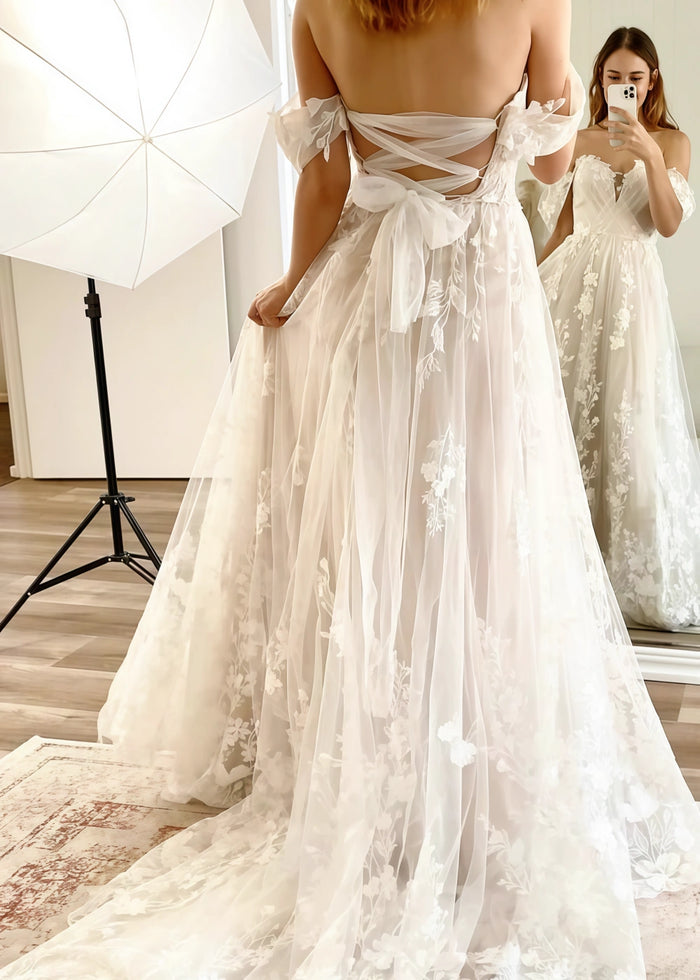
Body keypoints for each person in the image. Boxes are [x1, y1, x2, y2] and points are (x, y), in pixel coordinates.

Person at [3, 2, 699, 976]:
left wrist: (292, 283)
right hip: (481, 289)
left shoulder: (322, 8)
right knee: (483, 526)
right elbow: (550, 166)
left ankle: (380, 757)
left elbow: (327, 176)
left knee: (381, 522)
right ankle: (466, 762)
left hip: (369, 287)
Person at [539, 26, 700, 631]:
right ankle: (569, 572)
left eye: (635, 77)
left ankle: (626, 574)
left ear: (651, 81)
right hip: (576, 289)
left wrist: (650, 155)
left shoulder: (673, 143)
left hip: (634, 295)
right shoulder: (577, 141)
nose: (624, 86)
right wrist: (526, 286)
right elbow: (563, 228)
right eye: (613, 77)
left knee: (631, 421)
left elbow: (668, 223)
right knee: (570, 419)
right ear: (599, 79)